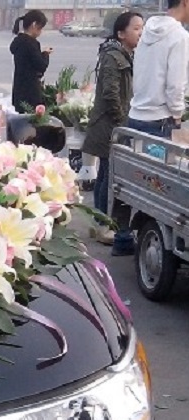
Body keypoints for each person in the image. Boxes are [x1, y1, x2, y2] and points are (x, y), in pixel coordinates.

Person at [81, 12, 143, 255]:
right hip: (108, 125)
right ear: (121, 33)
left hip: (112, 123)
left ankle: (99, 222)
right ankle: (102, 223)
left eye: (141, 28)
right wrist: (121, 122)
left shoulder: (125, 54)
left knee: (106, 173)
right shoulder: (112, 56)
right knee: (108, 176)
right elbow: (110, 93)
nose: (140, 33)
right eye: (136, 28)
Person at [127, 0, 189, 140]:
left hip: (135, 116)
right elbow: (175, 85)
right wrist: (177, 114)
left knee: (135, 155)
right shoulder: (180, 36)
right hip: (160, 121)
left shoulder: (146, 32)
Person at [9, 10, 52, 113]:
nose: (41, 32)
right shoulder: (31, 44)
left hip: (19, 89)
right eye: (40, 28)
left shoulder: (18, 42)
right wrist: (45, 54)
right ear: (34, 25)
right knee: (31, 120)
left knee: (21, 118)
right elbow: (41, 66)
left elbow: (29, 61)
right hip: (30, 92)